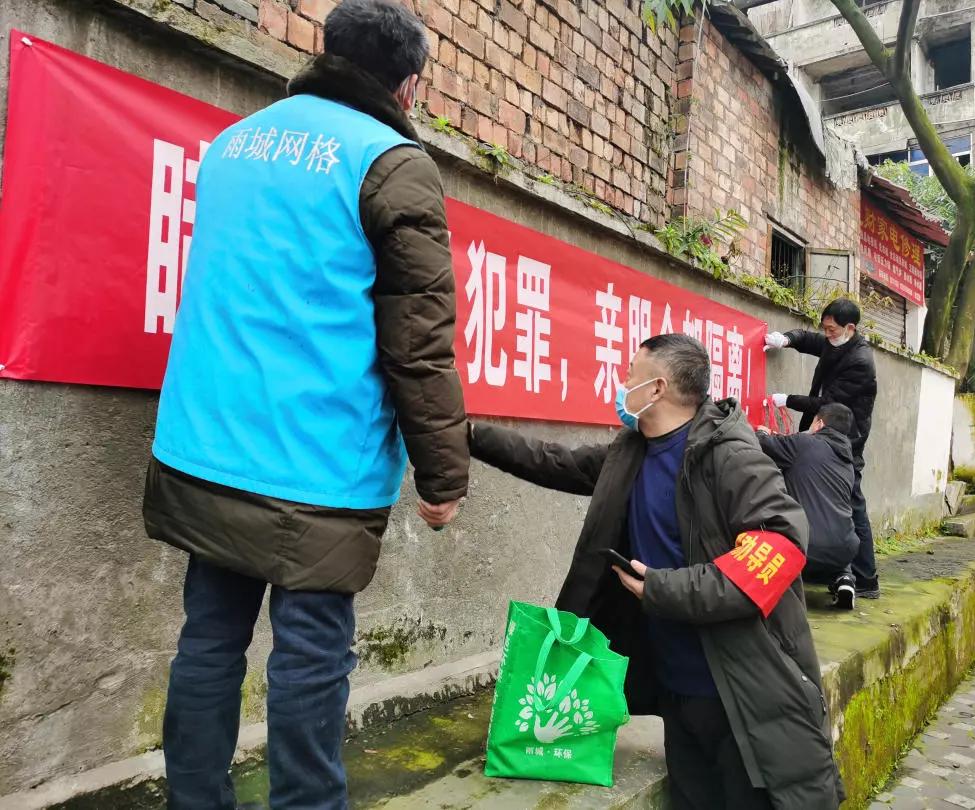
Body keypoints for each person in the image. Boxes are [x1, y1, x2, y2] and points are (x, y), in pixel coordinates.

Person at [142, 2, 469, 807]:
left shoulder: (235, 142)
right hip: (316, 469)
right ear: (410, 82)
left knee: (209, 643)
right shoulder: (392, 163)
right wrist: (442, 477)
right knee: (311, 660)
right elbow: (418, 344)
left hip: (203, 448)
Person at [470, 334, 843, 810]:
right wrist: (465, 435)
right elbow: (552, 460)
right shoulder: (631, 453)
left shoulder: (729, 455)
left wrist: (666, 588)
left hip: (739, 693)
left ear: (657, 387)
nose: (621, 381)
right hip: (674, 689)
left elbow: (782, 544)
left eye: (629, 372)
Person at [765, 298, 879, 598]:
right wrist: (786, 339)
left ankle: (866, 578)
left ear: (849, 328)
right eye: (825, 327)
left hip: (846, 440)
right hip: (825, 432)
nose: (826, 333)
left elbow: (826, 405)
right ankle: (842, 573)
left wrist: (786, 399)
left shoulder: (860, 363)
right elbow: (810, 340)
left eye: (832, 329)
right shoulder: (836, 342)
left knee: (853, 504)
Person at [757, 403, 859, 610]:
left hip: (805, 548)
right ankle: (845, 580)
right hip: (845, 551)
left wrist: (762, 432)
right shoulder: (848, 462)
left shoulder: (804, 444)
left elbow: (764, 444)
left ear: (819, 423)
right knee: (837, 529)